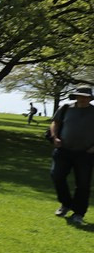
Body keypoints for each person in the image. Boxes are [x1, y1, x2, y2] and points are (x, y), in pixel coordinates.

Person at [50, 86, 94, 225]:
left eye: (85, 96)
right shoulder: (65, 108)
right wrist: (55, 137)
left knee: (83, 184)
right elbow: (55, 123)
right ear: (75, 96)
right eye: (80, 95)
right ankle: (66, 204)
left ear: (90, 98)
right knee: (56, 176)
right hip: (63, 150)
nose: (82, 98)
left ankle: (78, 213)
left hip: (85, 153)